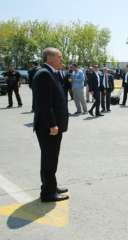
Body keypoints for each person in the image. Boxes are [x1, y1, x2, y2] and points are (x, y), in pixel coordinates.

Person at [32, 47, 69, 202]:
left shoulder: (49, 73)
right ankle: (48, 193)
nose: (62, 59)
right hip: (49, 127)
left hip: (51, 126)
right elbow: (44, 104)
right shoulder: (44, 74)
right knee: (49, 159)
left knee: (50, 158)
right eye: (59, 56)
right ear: (49, 58)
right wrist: (53, 124)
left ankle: (50, 186)